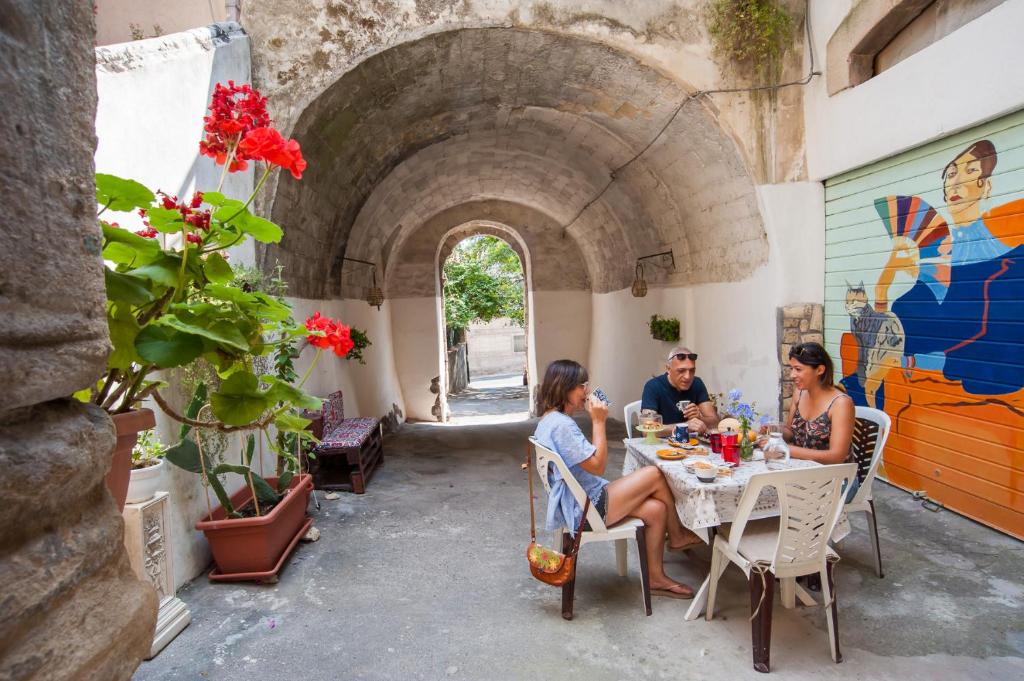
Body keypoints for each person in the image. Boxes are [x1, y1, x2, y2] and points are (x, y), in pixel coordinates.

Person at [533, 359, 699, 599]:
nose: (587, 392)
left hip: (581, 500)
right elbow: (598, 466)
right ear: (565, 387)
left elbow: (585, 460)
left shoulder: (550, 419)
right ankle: (678, 535)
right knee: (654, 473)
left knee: (656, 509)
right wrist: (599, 421)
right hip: (585, 509)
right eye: (582, 386)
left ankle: (655, 577)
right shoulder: (562, 426)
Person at [640, 347, 719, 436]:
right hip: (660, 444)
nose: (688, 377)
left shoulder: (697, 383)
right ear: (668, 369)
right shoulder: (653, 386)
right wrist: (684, 426)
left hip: (690, 445)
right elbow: (646, 430)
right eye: (681, 371)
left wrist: (699, 417)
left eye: (692, 370)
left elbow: (715, 422)